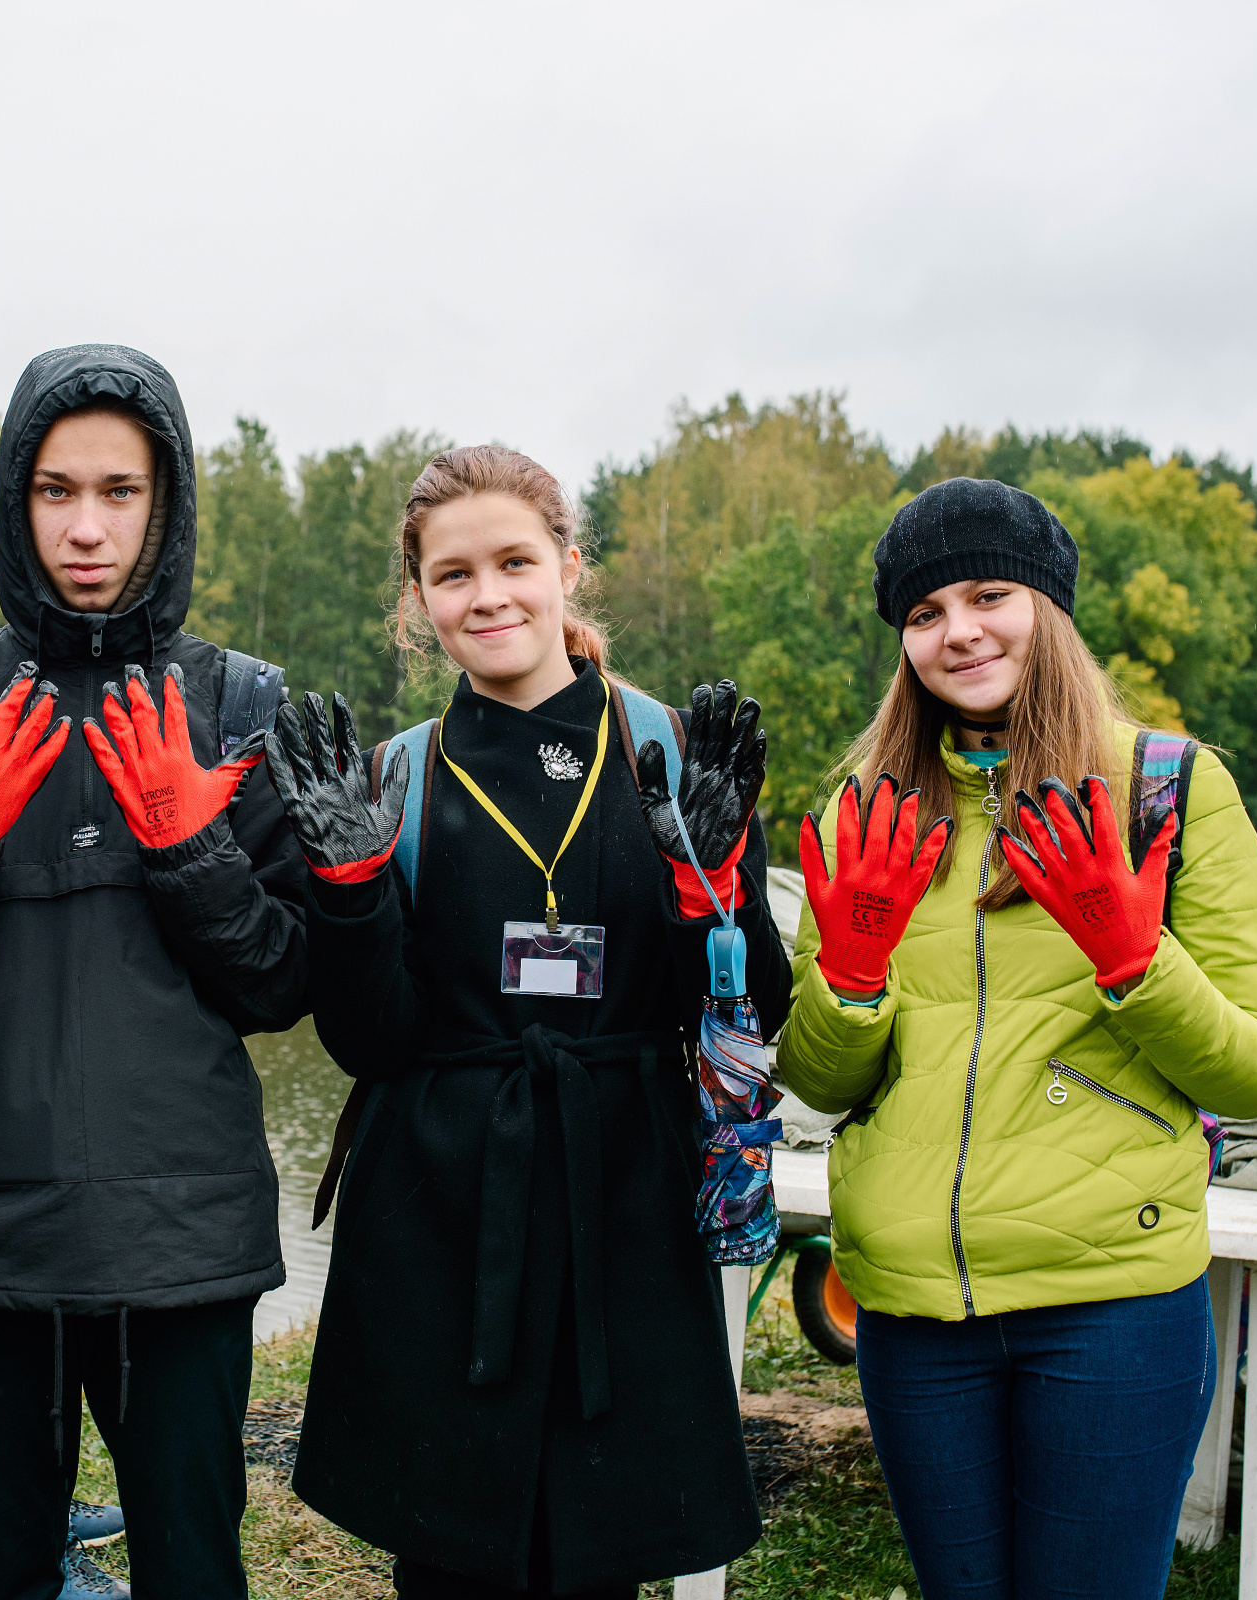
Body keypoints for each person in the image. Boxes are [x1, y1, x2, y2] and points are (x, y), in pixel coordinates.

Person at [0, 344, 308, 1600]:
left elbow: (281, 985)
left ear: (170, 502)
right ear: (13, 500)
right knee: (5, 1567)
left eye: (120, 491)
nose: (86, 528)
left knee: (194, 1569)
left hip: (181, 1242)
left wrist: (192, 851)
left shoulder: (241, 705)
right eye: (54, 491)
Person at [272, 445, 788, 1597]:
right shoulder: (394, 778)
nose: (488, 594)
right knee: (449, 1557)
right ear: (420, 603)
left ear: (567, 566)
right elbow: (370, 1040)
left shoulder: (668, 750)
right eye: (453, 575)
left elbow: (755, 1007)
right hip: (442, 1208)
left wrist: (720, 886)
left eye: (514, 560)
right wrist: (348, 890)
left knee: (600, 1558)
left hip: (625, 1198)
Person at [775, 476, 1257, 1600]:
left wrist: (1133, 960)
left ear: (1048, 608)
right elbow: (819, 1083)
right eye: (924, 613)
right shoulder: (861, 814)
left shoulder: (1171, 789)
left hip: (1109, 1306)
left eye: (988, 594)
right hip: (916, 1312)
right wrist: (853, 976)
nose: (958, 631)